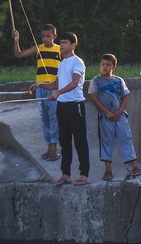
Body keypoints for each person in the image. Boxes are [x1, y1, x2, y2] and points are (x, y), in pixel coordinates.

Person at [86, 54, 141, 181]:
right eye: (103, 64)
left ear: (114, 67)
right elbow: (94, 98)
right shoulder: (96, 81)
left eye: (108, 65)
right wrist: (107, 112)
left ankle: (135, 166)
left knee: (126, 139)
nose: (105, 67)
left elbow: (124, 97)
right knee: (106, 141)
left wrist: (119, 112)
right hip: (105, 117)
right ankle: (108, 170)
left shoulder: (119, 80)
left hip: (120, 116)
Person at [46, 32, 91, 186]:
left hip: (75, 105)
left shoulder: (78, 62)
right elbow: (55, 84)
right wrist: (40, 85)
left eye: (64, 42)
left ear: (73, 45)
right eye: (61, 42)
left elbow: (74, 82)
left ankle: (84, 175)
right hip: (62, 106)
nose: (61, 45)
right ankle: (66, 174)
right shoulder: (62, 63)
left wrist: (57, 93)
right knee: (64, 142)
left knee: (79, 141)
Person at [12, 24, 60, 161]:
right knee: (44, 119)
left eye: (48, 36)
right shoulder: (38, 48)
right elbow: (18, 54)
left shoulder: (59, 49)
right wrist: (16, 40)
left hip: (54, 87)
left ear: (54, 36)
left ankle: (54, 147)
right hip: (40, 88)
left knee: (53, 118)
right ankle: (49, 146)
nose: (45, 39)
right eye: (43, 36)